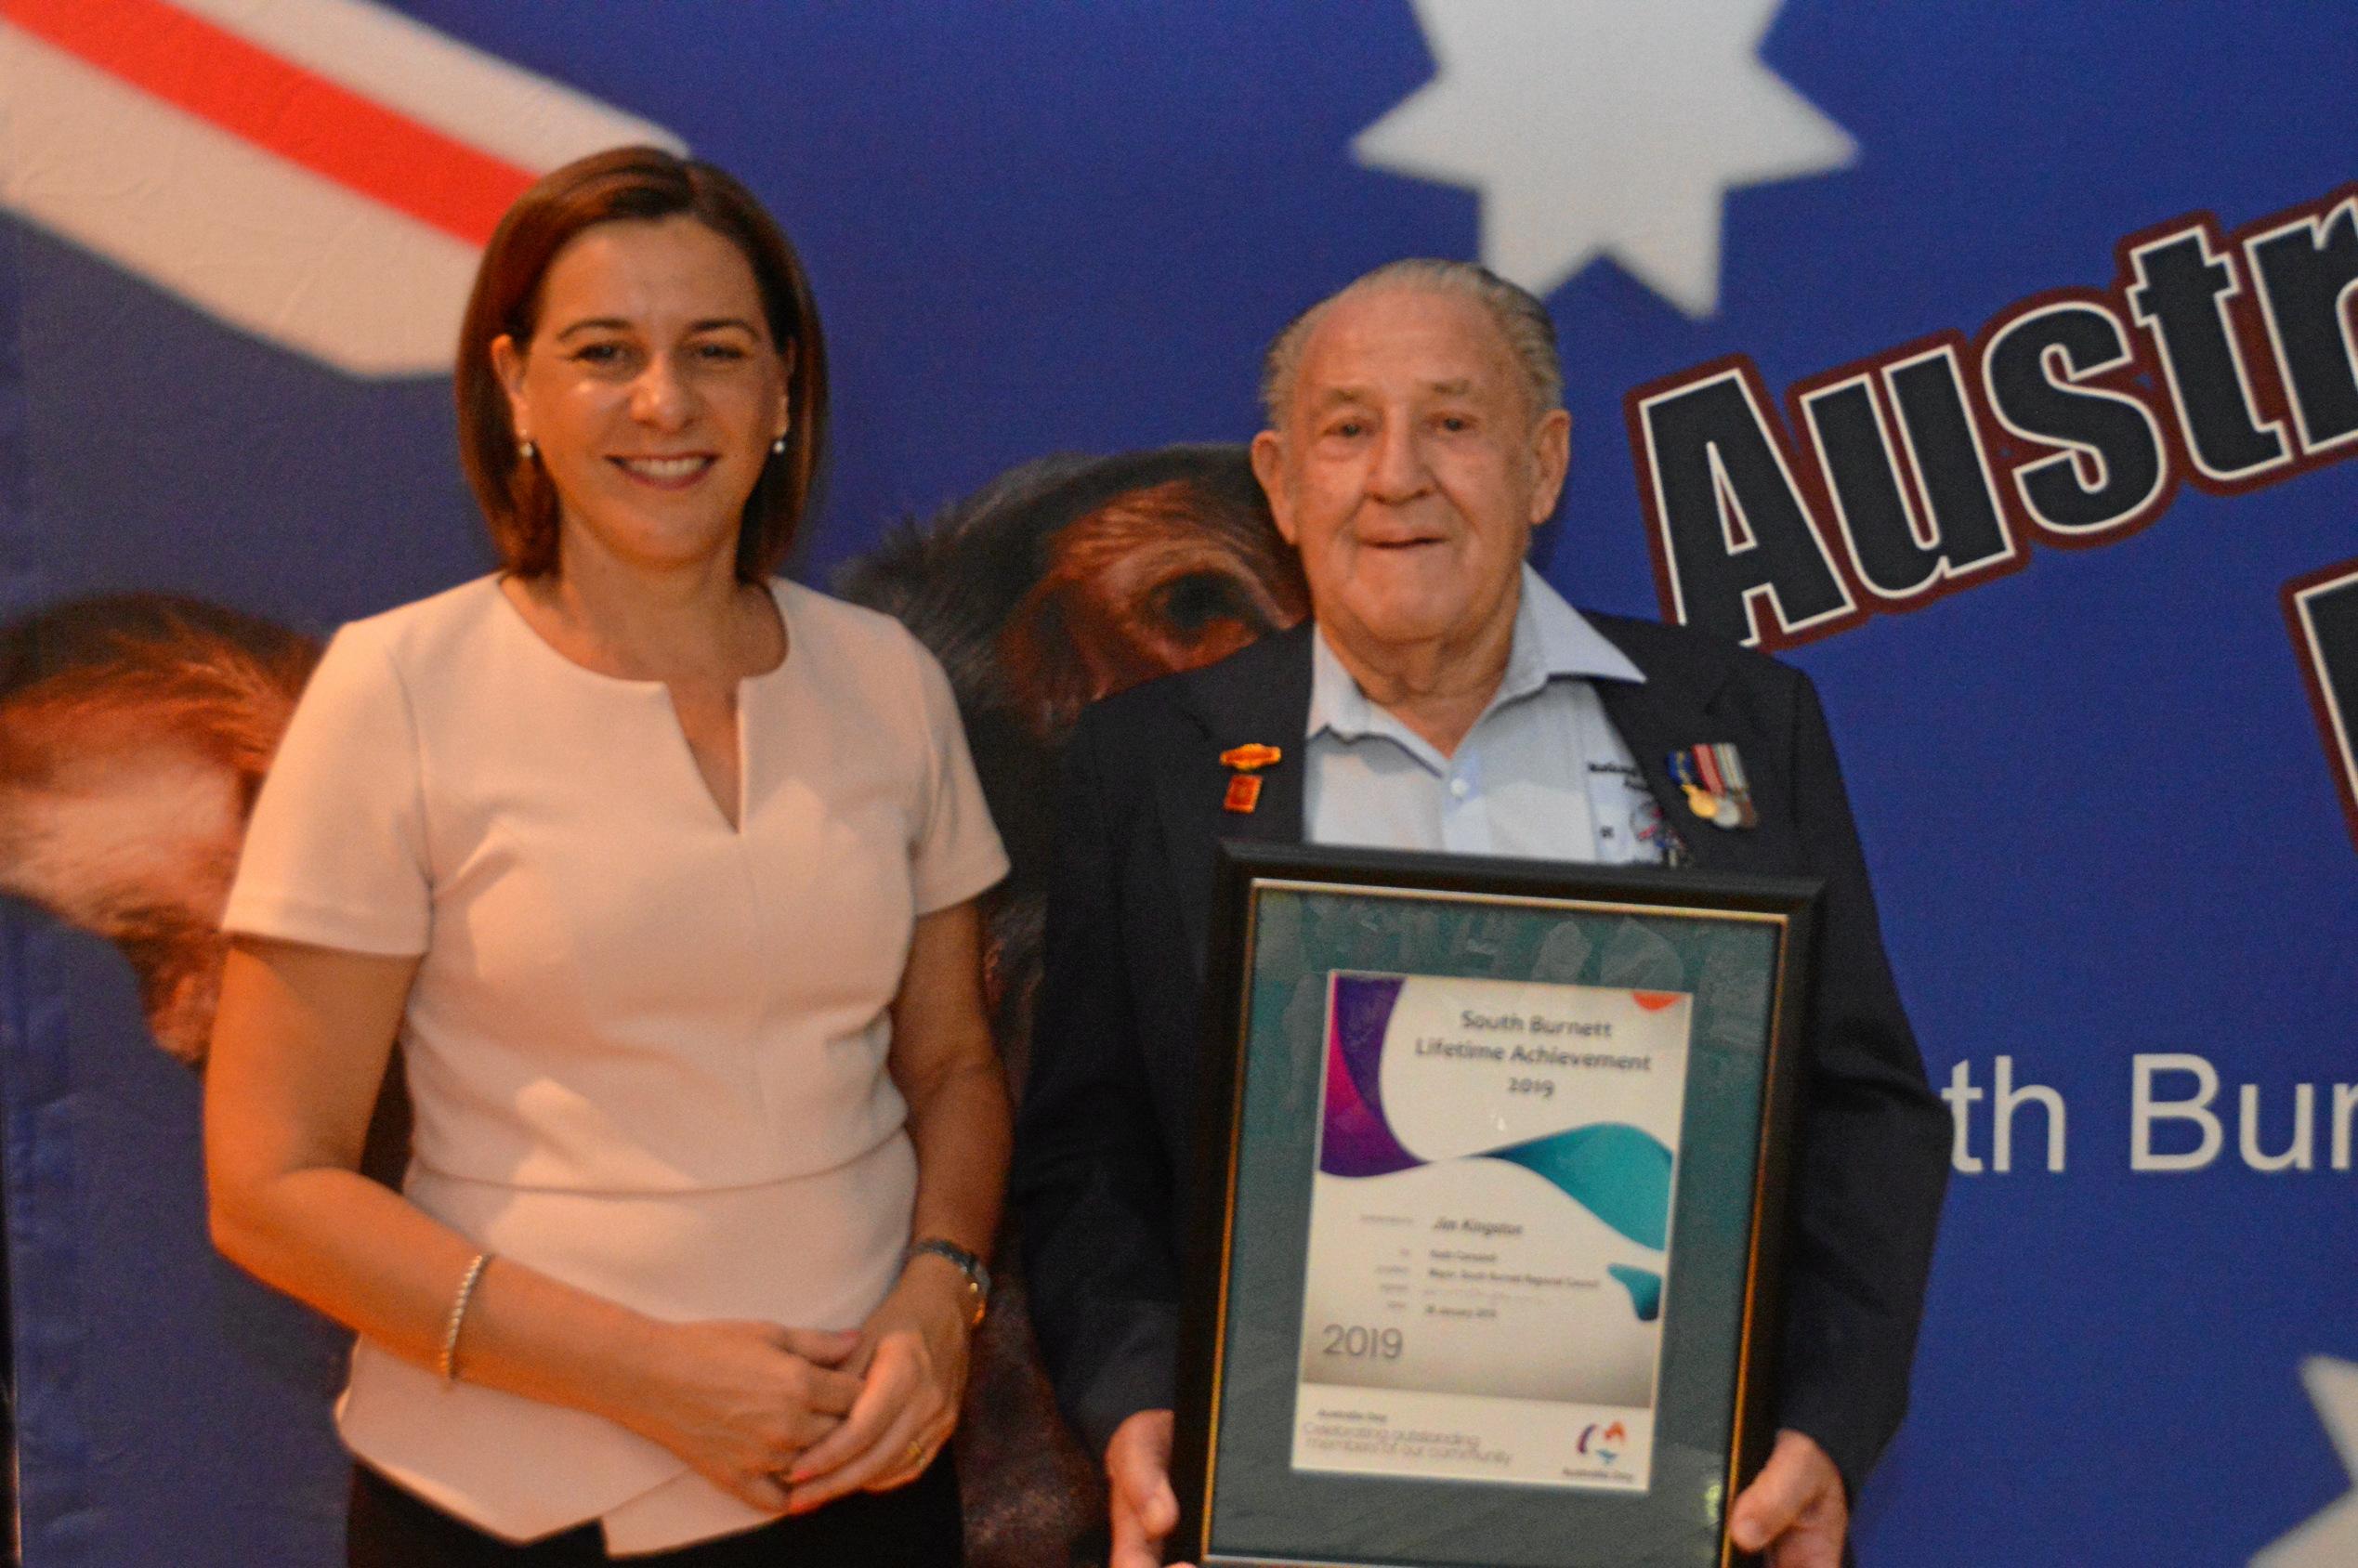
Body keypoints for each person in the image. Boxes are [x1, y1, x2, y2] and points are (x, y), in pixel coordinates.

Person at [1011, 260, 1949, 1568]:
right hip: (1279, 1522)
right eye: (1347, 430)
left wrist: (1821, 1433)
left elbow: (1860, 1114)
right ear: (1281, 484)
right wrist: (1138, 1409)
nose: (1397, 475)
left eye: (1451, 423)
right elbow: (1087, 1154)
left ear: (1544, 464)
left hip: (1656, 1517)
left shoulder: (1732, 723)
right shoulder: (1152, 762)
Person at [205, 147, 1009, 1564]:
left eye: (715, 351)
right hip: (503, 1507)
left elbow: (949, 1066)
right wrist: (650, 1377)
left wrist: (940, 1299)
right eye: (602, 352)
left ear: (781, 391)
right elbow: (270, 1186)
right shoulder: (395, 688)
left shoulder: (889, 682)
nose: (664, 402)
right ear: (514, 386)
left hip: (864, 1486)